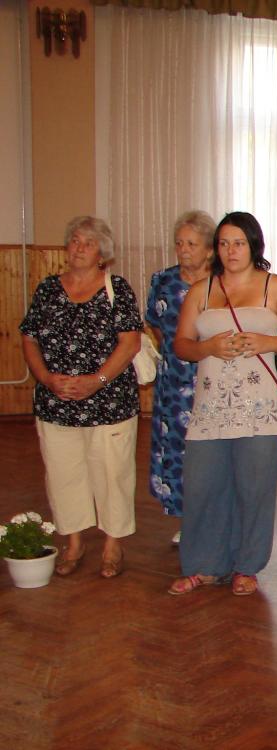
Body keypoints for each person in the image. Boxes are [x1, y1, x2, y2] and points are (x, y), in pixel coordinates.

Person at [168, 211, 277, 596]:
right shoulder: (201, 291)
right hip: (210, 408)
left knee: (254, 489)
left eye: (239, 243)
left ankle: (247, 566)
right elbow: (181, 345)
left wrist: (268, 342)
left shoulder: (274, 287)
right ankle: (205, 566)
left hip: (261, 409)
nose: (231, 251)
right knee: (203, 487)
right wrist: (207, 347)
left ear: (254, 246)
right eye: (224, 243)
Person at [19, 216, 142, 579]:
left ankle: (112, 545)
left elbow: (130, 343)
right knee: (63, 474)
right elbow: (29, 337)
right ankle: (74, 542)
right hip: (56, 401)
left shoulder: (117, 289)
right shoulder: (48, 289)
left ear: (102, 253)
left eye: (88, 243)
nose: (79, 247)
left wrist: (96, 381)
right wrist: (46, 378)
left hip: (109, 402)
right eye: (74, 240)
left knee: (112, 475)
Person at [145, 210, 215, 545]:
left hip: (213, 380)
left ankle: (216, 519)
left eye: (191, 244)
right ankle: (189, 520)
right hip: (174, 381)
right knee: (177, 449)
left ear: (209, 249)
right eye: (179, 243)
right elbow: (156, 326)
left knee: (212, 453)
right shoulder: (163, 281)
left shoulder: (222, 283)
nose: (183, 249)